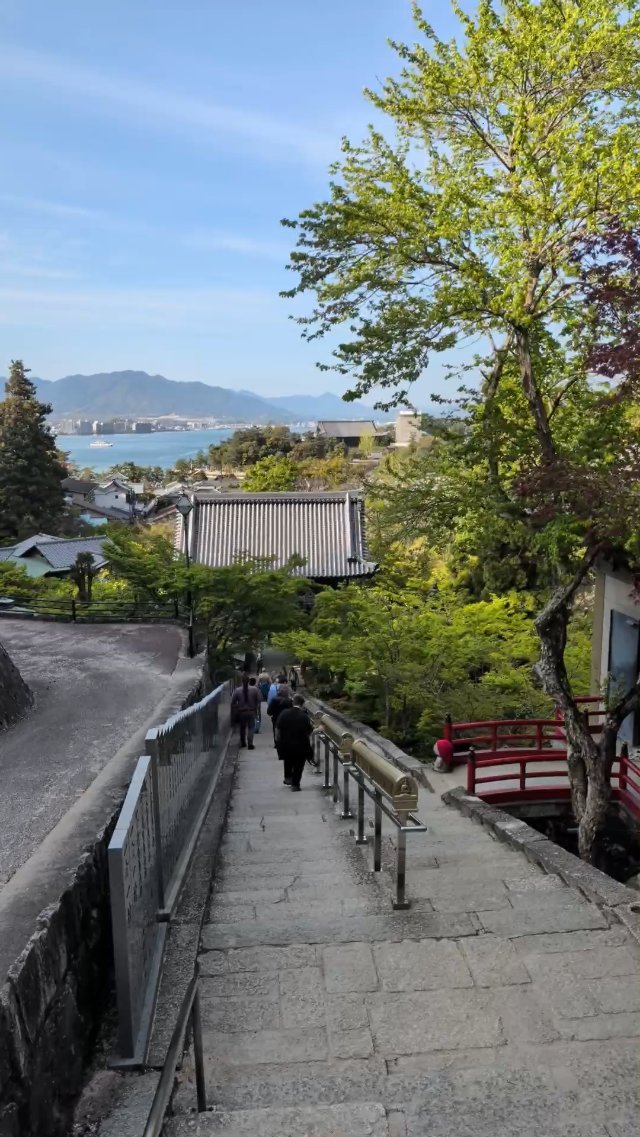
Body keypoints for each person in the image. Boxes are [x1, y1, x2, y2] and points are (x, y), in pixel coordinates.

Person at [276, 694, 313, 790]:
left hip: (286, 744)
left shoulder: (284, 713)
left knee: (288, 760)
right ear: (302, 704)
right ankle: (295, 784)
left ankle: (288, 777)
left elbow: (278, 729)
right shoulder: (304, 717)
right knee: (299, 765)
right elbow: (308, 732)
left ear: (293, 702)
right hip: (300, 745)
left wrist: (278, 741)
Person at [231, 674, 261, 750]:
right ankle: (250, 743)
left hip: (241, 712)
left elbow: (233, 702)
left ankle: (243, 742)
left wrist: (237, 708)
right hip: (251, 711)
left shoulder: (237, 690)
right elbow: (258, 701)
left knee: (242, 727)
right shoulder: (254, 689)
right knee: (251, 727)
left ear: (242, 681)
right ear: (249, 681)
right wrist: (256, 709)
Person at [267, 682, 292, 749]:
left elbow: (269, 711)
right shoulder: (289, 701)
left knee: (276, 730)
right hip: (287, 719)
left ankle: (277, 743)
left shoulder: (274, 700)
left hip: (276, 718)